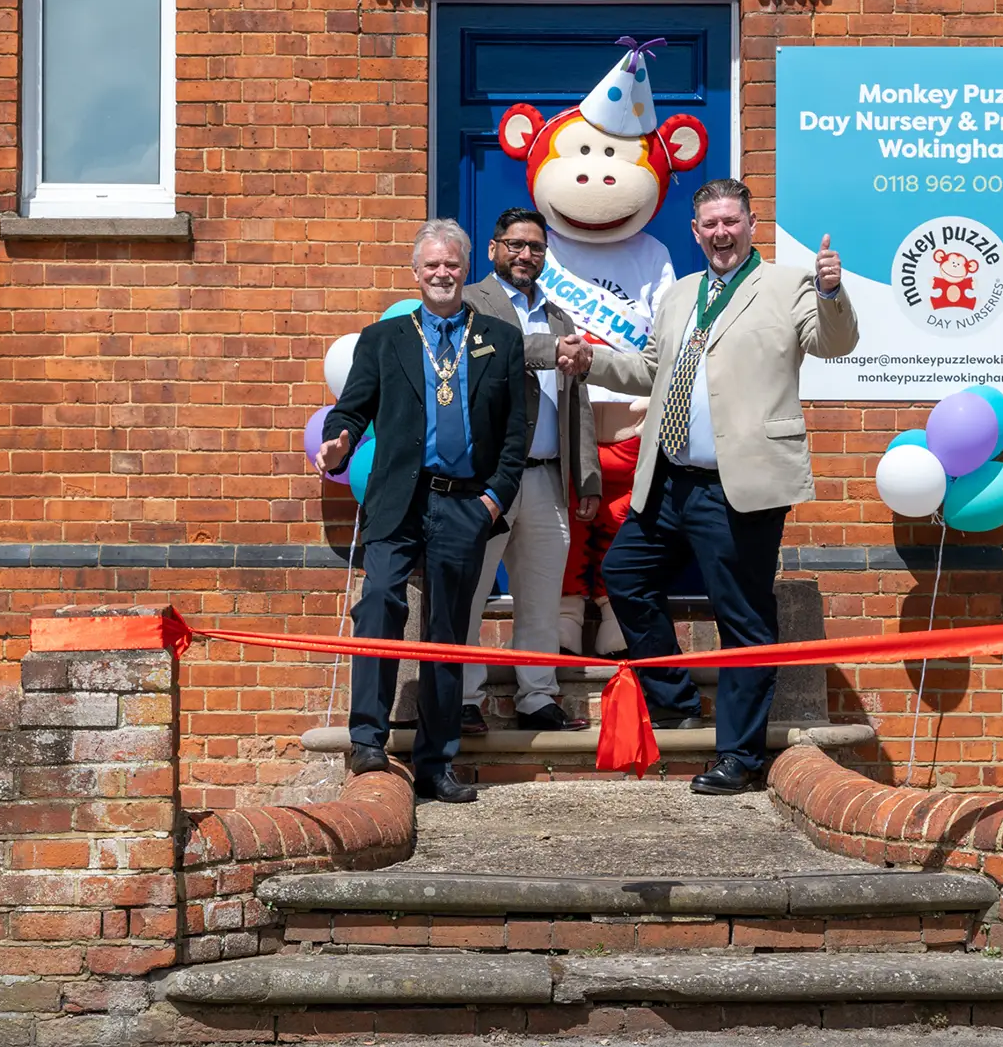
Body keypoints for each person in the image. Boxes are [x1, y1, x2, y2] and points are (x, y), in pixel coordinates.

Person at [557, 178, 857, 795]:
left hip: (739, 485)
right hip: (666, 478)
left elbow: (833, 342)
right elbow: (649, 369)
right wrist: (592, 362)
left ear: (751, 225)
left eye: (731, 222)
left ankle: (740, 757)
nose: (721, 234)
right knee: (625, 575)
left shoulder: (787, 285)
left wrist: (831, 292)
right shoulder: (680, 296)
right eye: (709, 225)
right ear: (695, 233)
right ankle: (673, 696)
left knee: (742, 620)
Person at [316, 219, 529, 804]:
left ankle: (437, 763)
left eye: (452, 264)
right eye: (431, 265)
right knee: (380, 603)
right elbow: (352, 409)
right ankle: (368, 740)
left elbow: (516, 433)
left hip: (465, 506)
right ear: (416, 273)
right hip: (398, 503)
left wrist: (493, 500)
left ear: (466, 270)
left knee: (446, 635)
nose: (442, 273)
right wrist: (336, 440)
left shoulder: (498, 339)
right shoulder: (383, 339)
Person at [457, 208, 600, 735]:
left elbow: (576, 404)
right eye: (515, 245)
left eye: (536, 248)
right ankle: (464, 699)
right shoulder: (471, 302)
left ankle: (537, 697)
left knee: (540, 596)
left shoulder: (559, 316)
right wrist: (546, 351)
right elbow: (487, 352)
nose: (525, 255)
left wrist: (585, 477)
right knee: (469, 593)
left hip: (545, 478)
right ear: (494, 248)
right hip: (488, 479)